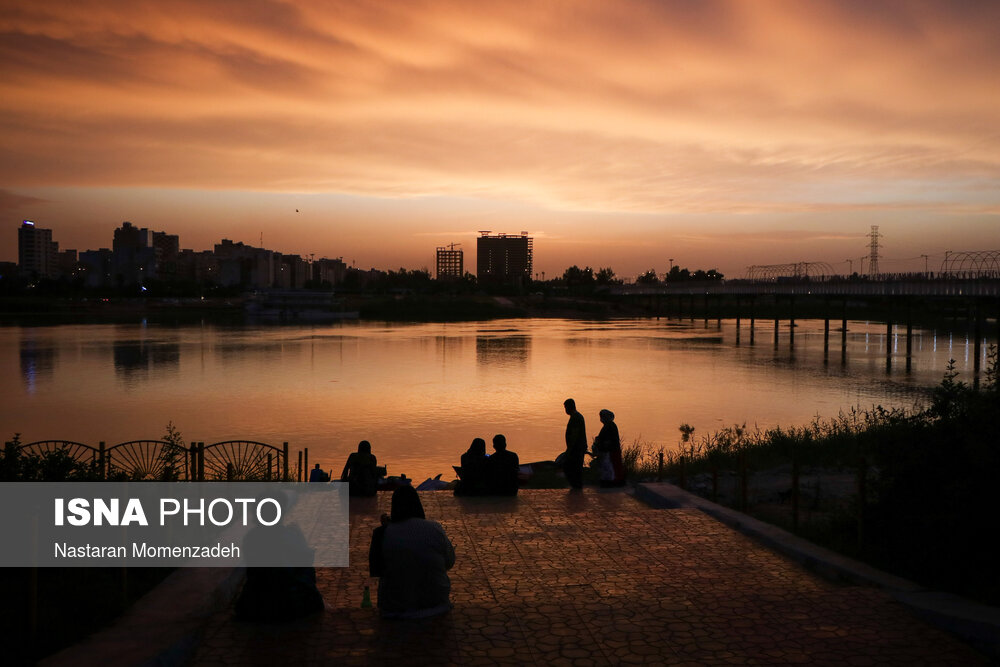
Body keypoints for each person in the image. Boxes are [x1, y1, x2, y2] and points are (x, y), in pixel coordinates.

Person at [368, 486, 455, 619]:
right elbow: (449, 562)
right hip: (436, 604)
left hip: (396, 607)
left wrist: (385, 530)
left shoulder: (383, 533)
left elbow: (377, 570)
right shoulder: (435, 528)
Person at [593, 409, 625, 488]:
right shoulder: (608, 425)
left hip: (611, 451)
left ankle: (612, 482)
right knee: (609, 467)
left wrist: (601, 444)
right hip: (610, 450)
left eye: (603, 416)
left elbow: (609, 440)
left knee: (611, 467)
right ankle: (612, 481)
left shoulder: (610, 426)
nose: (601, 418)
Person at [563, 398, 587, 489]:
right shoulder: (575, 417)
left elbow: (574, 435)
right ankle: (576, 486)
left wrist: (569, 450)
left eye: (565, 407)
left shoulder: (576, 417)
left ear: (569, 407)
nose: (565, 410)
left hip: (576, 448)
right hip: (576, 448)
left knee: (571, 467)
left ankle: (576, 486)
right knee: (575, 468)